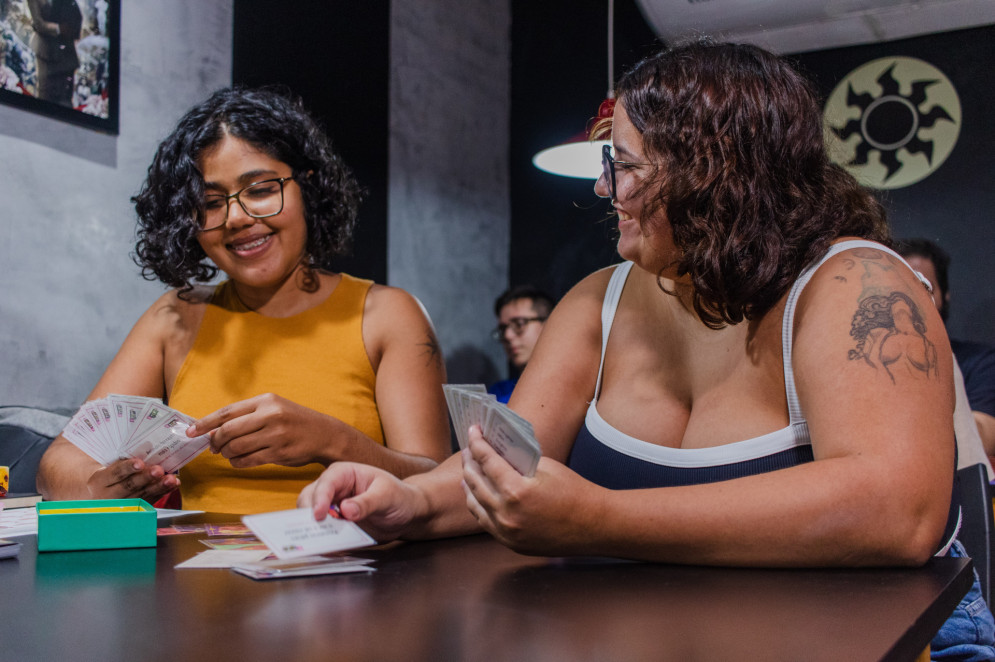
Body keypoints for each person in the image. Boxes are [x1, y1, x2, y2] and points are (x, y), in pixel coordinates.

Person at [299, 40, 994, 658]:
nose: (606, 188)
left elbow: (894, 512)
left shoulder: (853, 280)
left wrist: (596, 519)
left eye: (623, 165)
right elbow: (511, 464)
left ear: (714, 174)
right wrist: (409, 500)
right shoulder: (597, 299)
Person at [37, 87, 451, 514]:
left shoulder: (388, 315)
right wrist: (98, 485)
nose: (236, 218)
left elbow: (435, 484)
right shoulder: (174, 318)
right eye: (210, 203)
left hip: (359, 572)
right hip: (199, 574)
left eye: (260, 190)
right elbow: (57, 465)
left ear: (306, 188)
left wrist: (332, 441)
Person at [897, 238, 995, 458]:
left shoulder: (978, 362)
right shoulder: (875, 361)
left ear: (944, 294)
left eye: (924, 287)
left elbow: (985, 434)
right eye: (899, 290)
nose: (911, 301)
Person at [488, 286, 554, 403]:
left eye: (519, 324)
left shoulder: (568, 389)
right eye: (503, 329)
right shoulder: (498, 393)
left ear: (548, 324)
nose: (508, 335)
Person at [26, 0, 81, 106]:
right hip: (46, 52)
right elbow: (38, 23)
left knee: (65, 96)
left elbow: (75, 15)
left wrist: (72, 29)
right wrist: (59, 28)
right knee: (45, 93)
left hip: (66, 53)